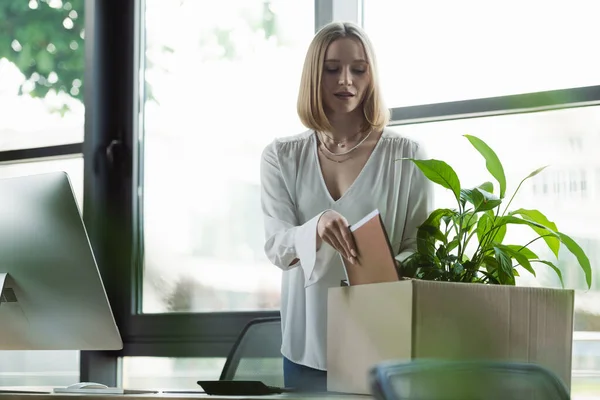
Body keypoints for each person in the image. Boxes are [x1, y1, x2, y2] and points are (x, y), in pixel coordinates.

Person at [259, 21, 433, 391]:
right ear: (313, 76)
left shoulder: (408, 156)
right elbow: (277, 246)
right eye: (332, 69)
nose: (346, 81)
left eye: (358, 69)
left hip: (381, 342)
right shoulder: (281, 157)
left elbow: (421, 251)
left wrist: (376, 269)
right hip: (306, 345)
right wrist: (316, 227)